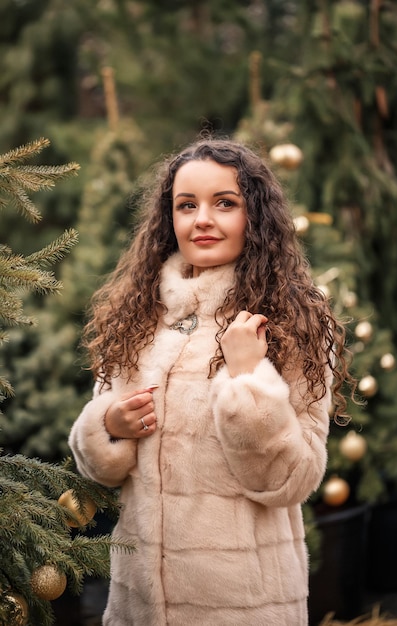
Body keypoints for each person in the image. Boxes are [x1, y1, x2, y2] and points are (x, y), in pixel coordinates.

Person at [69, 137, 353, 625]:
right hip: (138, 602)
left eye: (225, 203)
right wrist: (110, 425)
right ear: (168, 218)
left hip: (240, 605)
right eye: (186, 205)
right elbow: (103, 469)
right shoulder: (138, 317)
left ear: (256, 216)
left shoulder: (293, 320)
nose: (202, 219)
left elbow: (292, 480)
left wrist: (247, 379)